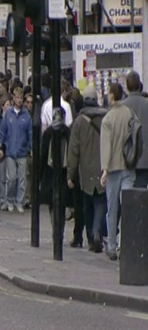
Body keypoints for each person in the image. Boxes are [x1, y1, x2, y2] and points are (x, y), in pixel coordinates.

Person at [67, 88, 107, 253]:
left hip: (85, 169)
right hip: (102, 166)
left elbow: (74, 149)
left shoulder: (79, 121)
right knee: (100, 202)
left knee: (87, 203)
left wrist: (71, 173)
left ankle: (91, 235)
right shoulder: (105, 117)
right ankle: (97, 231)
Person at [100, 82, 136, 261]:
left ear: (112, 96)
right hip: (129, 167)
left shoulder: (108, 119)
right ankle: (124, 243)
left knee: (112, 208)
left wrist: (104, 170)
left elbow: (106, 146)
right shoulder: (129, 113)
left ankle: (112, 246)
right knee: (127, 206)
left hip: (113, 168)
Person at [0, 87, 32, 213]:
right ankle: (10, 200)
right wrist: (0, 146)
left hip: (22, 152)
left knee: (22, 179)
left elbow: (30, 134)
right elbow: (2, 132)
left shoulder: (26, 116)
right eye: (17, 98)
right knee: (11, 178)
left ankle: (19, 201)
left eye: (21, 98)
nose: (19, 100)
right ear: (13, 99)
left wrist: (30, 148)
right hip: (10, 151)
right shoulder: (8, 115)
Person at [40, 107, 71, 234]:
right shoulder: (68, 132)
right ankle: (60, 229)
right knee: (62, 204)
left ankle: (55, 228)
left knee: (53, 203)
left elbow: (43, 155)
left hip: (50, 171)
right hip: (64, 171)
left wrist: (41, 175)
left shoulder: (48, 133)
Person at [123, 70, 148, 187]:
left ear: (127, 87)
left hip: (127, 159)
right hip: (145, 159)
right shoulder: (146, 104)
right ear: (140, 85)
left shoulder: (122, 107)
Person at [0, 94, 12, 211]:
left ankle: (9, 199)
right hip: (2, 150)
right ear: (2, 107)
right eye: (7, 105)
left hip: (11, 150)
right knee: (2, 177)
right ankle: (2, 199)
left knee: (11, 177)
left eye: (10, 105)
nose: (9, 107)